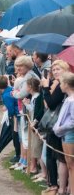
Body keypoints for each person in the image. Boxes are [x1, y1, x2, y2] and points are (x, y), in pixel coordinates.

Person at [41, 60, 70, 195]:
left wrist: (46, 88)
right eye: (54, 70)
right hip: (57, 124)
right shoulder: (58, 84)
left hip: (59, 125)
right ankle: (55, 184)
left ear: (65, 70)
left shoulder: (62, 86)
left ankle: (56, 186)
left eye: (58, 69)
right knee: (52, 155)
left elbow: (51, 104)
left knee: (56, 156)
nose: (55, 72)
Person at [53, 72, 74, 195]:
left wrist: (60, 129)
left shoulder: (72, 101)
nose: (59, 85)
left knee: (71, 164)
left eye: (61, 83)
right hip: (65, 134)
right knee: (70, 164)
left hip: (69, 134)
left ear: (66, 84)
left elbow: (72, 121)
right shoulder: (68, 99)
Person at [22, 78, 46, 178]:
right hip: (33, 124)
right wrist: (27, 104)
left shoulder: (38, 97)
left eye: (26, 86)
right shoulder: (33, 97)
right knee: (34, 148)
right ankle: (35, 168)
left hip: (37, 126)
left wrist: (35, 122)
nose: (25, 88)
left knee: (38, 149)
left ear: (30, 87)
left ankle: (40, 171)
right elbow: (32, 110)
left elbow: (38, 111)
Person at [0, 75, 20, 163]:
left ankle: (18, 155)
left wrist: (10, 118)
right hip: (18, 113)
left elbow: (11, 109)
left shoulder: (6, 95)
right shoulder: (10, 88)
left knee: (15, 134)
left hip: (15, 116)